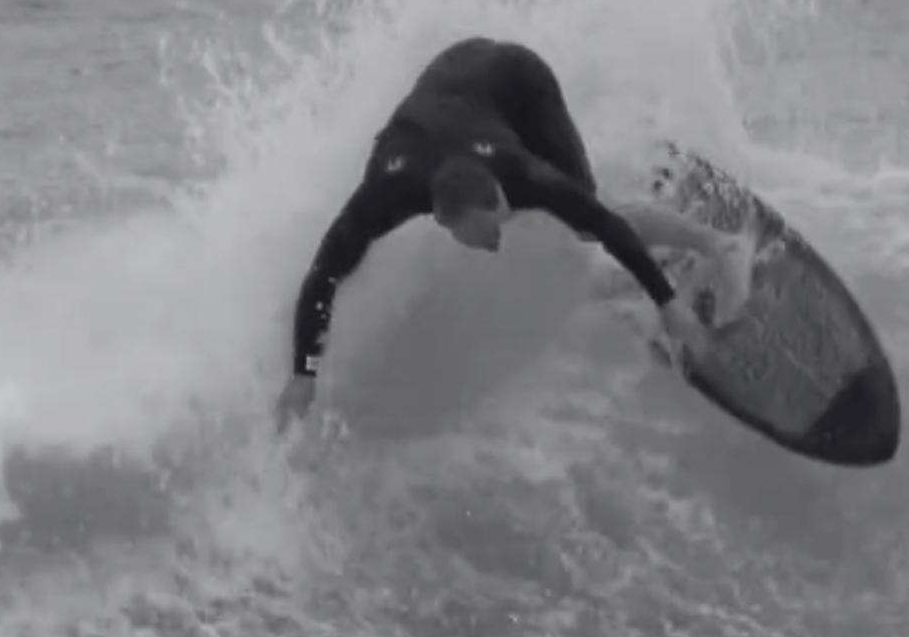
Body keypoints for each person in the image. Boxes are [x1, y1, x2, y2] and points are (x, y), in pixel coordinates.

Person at [274, 36, 752, 435]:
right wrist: (304, 374)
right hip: (448, 95)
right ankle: (626, 281)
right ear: (444, 219)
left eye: (498, 221)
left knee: (584, 219)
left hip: (518, 81)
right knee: (548, 225)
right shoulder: (384, 194)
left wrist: (670, 306)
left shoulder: (520, 172)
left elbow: (605, 224)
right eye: (485, 234)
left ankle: (716, 244)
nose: (496, 240)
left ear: (497, 188)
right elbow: (323, 274)